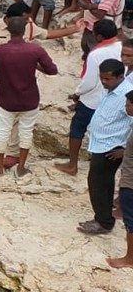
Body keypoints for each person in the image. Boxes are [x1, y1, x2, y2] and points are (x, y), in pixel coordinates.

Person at [0, 11, 59, 176]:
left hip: (6, 99)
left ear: (8, 30)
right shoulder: (35, 50)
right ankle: (21, 168)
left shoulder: (0, 51)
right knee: (26, 132)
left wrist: (2, 73)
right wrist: (35, 66)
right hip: (29, 100)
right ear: (24, 30)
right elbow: (52, 70)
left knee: (2, 131)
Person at [56, 18, 125, 176]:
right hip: (114, 98)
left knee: (77, 129)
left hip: (92, 100)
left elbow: (89, 82)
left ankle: (72, 165)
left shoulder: (96, 53)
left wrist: (77, 93)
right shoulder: (122, 47)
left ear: (99, 36)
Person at [77, 59, 133, 235]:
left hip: (111, 147)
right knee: (104, 183)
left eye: (107, 79)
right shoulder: (110, 89)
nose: (103, 82)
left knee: (98, 183)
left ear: (119, 76)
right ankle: (104, 217)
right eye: (101, 78)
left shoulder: (126, 95)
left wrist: (124, 149)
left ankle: (103, 222)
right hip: (101, 143)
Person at [107, 89, 133, 268]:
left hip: (131, 182)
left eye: (128, 104)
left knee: (130, 221)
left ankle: (130, 259)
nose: (126, 107)